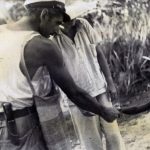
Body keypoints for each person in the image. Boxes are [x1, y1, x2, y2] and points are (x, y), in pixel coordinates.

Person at [0, 0, 119, 150]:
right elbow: (74, 93)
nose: (57, 31)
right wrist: (103, 111)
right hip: (24, 125)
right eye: (57, 23)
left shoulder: (2, 31)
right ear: (44, 15)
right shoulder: (41, 45)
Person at [52, 4, 126, 150]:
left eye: (73, 18)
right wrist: (77, 101)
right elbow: (58, 76)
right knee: (91, 142)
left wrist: (110, 82)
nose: (72, 21)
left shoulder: (84, 25)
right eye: (67, 20)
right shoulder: (53, 39)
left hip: (100, 89)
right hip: (79, 98)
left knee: (114, 137)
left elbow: (99, 53)